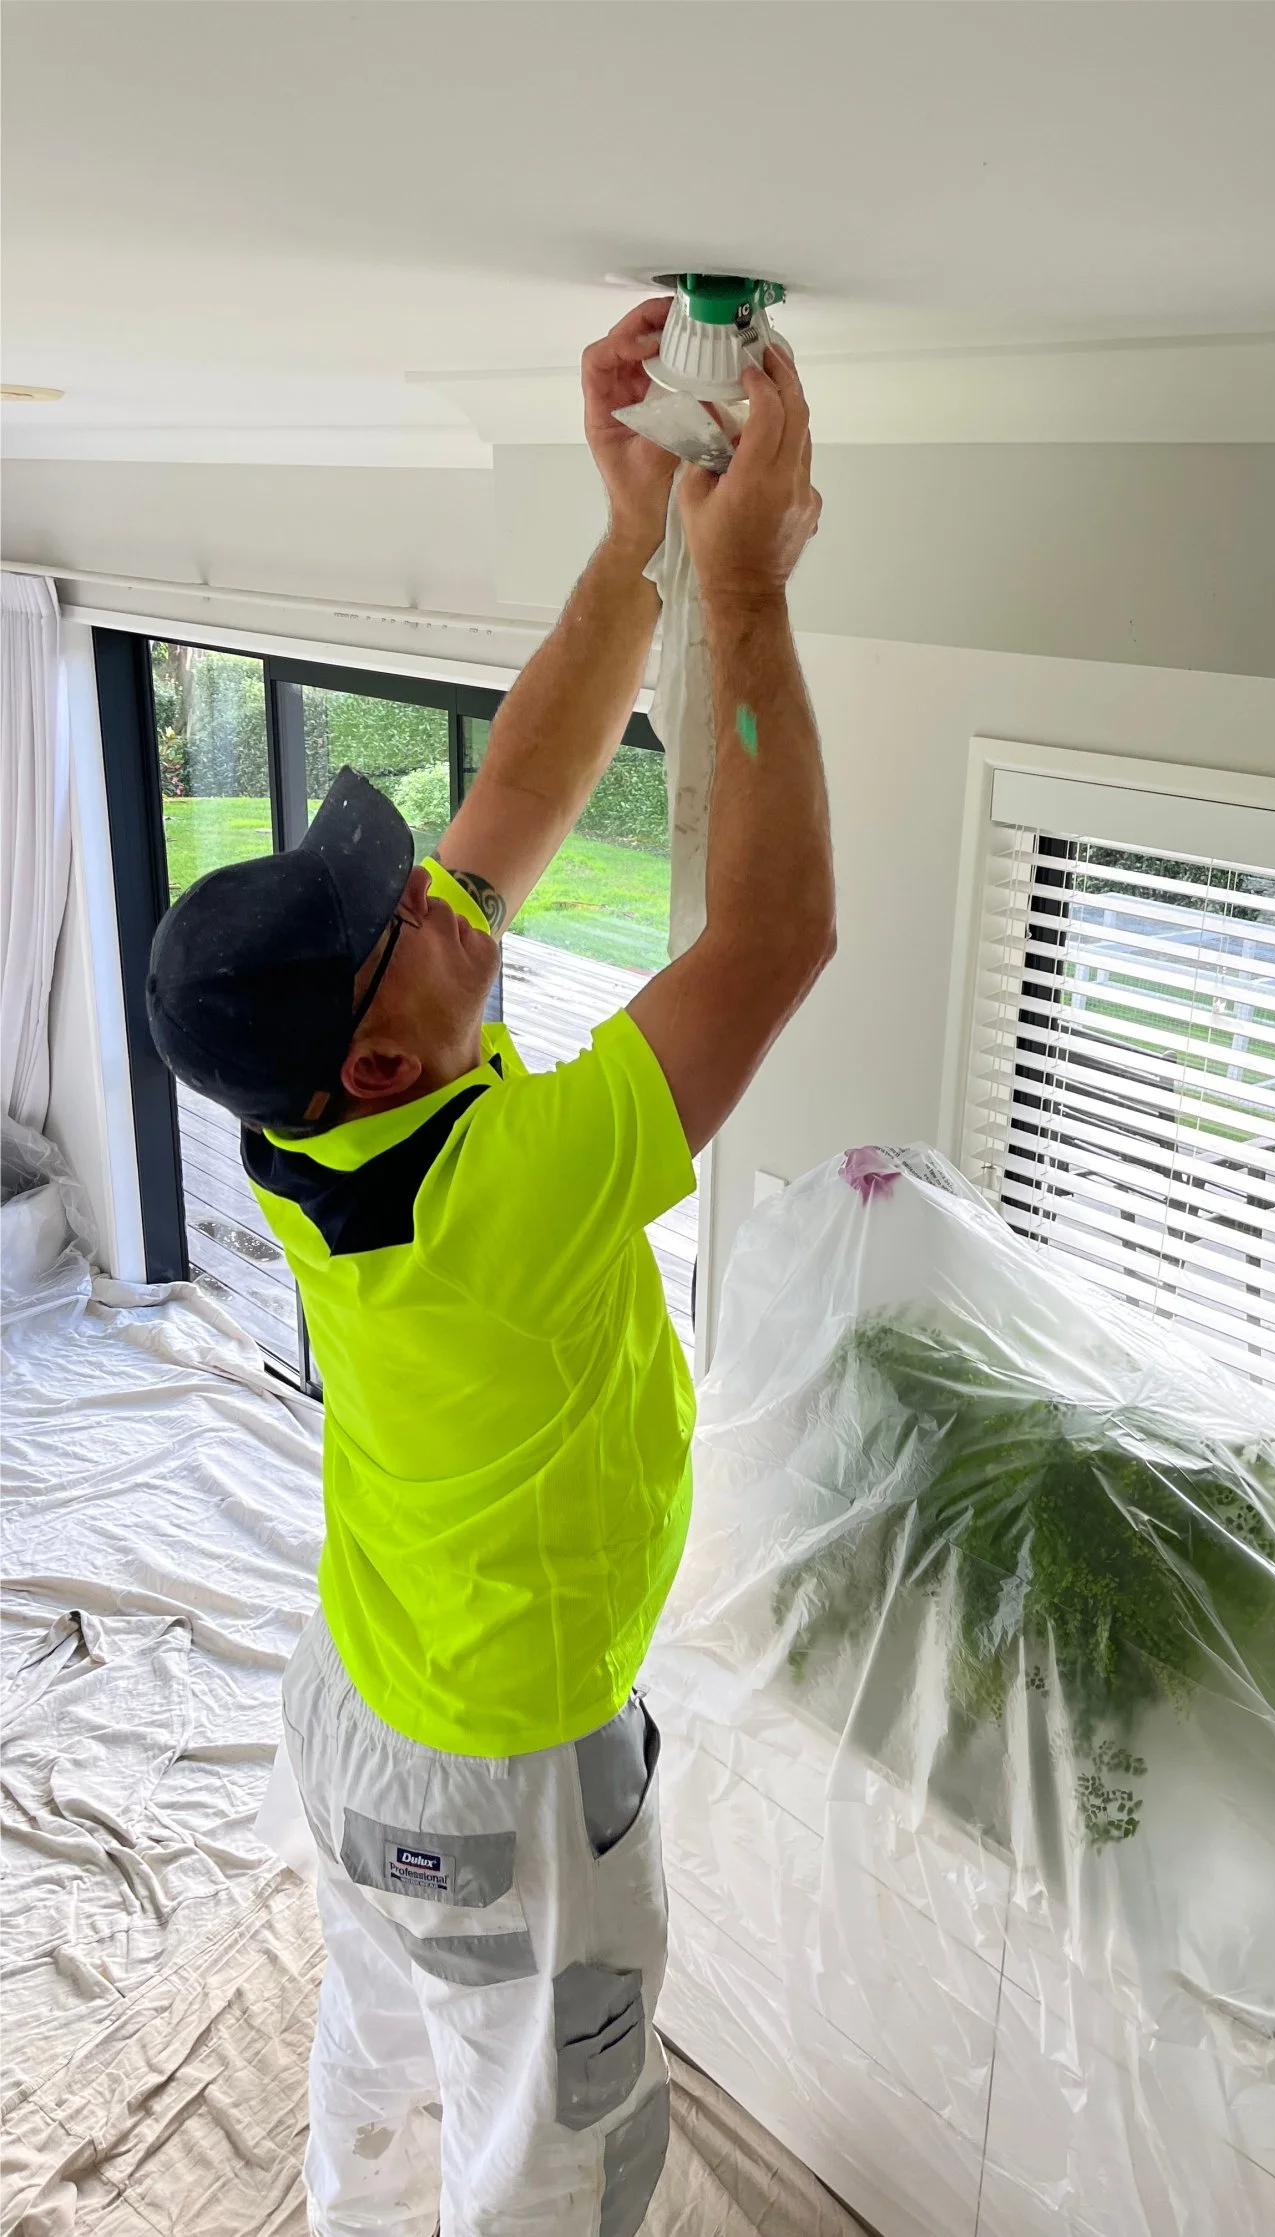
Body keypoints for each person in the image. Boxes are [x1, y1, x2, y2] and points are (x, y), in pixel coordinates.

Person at [144, 299, 833, 2237]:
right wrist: (744, 594)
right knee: (559, 2143)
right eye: (408, 920)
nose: (446, 888)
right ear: (379, 1051)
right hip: (496, 1771)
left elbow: (519, 796)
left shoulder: (323, 1124)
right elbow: (774, 937)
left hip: (365, 1697)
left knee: (385, 2043)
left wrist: (631, 534)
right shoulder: (503, 1191)